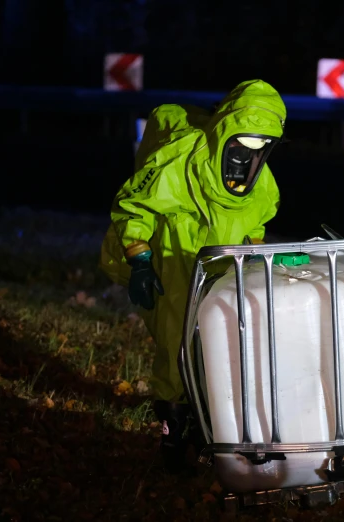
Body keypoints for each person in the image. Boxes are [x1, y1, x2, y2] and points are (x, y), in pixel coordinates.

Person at [100, 79, 286, 471]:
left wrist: (251, 263)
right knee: (176, 349)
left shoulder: (262, 183)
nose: (246, 160)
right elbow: (134, 206)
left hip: (223, 279)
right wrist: (139, 259)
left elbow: (258, 223)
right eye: (241, 146)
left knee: (220, 351)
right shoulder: (179, 160)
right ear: (224, 134)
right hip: (175, 267)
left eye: (259, 150)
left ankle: (208, 432)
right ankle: (172, 435)